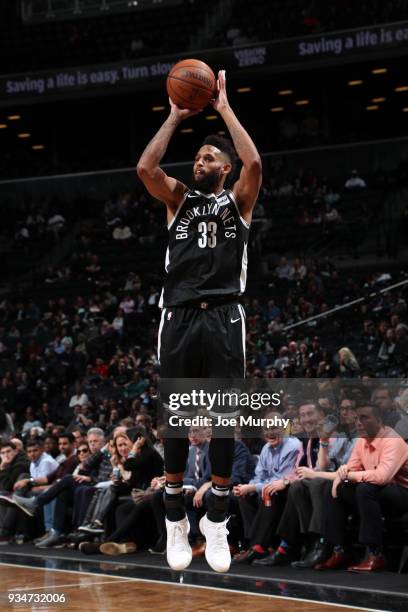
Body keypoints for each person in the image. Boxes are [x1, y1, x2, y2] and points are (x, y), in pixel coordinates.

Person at [137, 69, 262, 573]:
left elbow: (254, 160)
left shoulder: (239, 202)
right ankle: (173, 513)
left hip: (226, 314)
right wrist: (173, 115)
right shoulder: (178, 200)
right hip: (181, 314)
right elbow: (146, 168)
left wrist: (224, 109)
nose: (200, 161)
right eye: (199, 156)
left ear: (225, 171)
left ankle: (216, 516)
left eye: (209, 158)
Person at [317, 403, 408, 572]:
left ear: (379, 420)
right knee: (335, 488)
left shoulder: (393, 440)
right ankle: (340, 549)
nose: (359, 422)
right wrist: (343, 475)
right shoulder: (361, 440)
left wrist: (346, 476)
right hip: (379, 491)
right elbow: (351, 468)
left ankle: (375, 554)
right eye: (357, 418)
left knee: (365, 488)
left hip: (403, 493)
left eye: (364, 418)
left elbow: (382, 477)